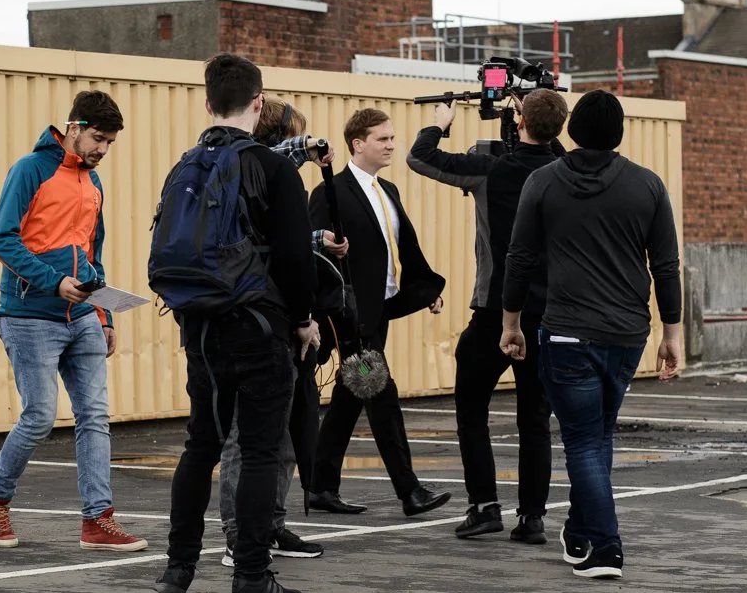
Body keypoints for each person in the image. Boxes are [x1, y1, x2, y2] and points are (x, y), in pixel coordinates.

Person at [152, 55, 319, 593]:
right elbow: (297, 259)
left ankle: (177, 570)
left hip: (199, 324)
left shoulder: (185, 165)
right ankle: (250, 576)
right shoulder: (273, 169)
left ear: (207, 104)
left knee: (201, 444)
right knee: (258, 447)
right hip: (258, 323)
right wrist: (303, 319)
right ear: (259, 102)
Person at [501, 88, 683, 580]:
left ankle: (605, 546)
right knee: (597, 435)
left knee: (583, 440)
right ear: (620, 133)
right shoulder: (647, 186)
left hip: (564, 333)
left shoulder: (542, 183)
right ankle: (580, 531)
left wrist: (511, 323)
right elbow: (665, 264)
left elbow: (519, 258)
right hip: (626, 334)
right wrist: (673, 331)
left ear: (573, 129)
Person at [0, 90, 146, 552]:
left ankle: (98, 520)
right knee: (38, 416)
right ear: (73, 127)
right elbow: (2, 239)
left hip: (83, 316)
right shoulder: (30, 170)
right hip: (29, 315)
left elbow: (93, 254)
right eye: (97, 139)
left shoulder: (93, 184)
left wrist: (105, 313)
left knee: (95, 417)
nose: (102, 150)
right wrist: (53, 282)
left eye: (110, 143)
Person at [407, 87, 570, 543]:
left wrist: (441, 121)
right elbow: (554, 144)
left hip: (497, 309)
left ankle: (484, 507)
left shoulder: (491, 170)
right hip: (549, 314)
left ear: (518, 124)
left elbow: (421, 158)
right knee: (534, 418)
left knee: (471, 407)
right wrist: (531, 117)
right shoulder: (567, 172)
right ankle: (532, 518)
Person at [307, 107, 452, 519]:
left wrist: (424, 291)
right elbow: (311, 252)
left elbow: (400, 249)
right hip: (350, 317)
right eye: (382, 139)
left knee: (350, 399)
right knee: (381, 393)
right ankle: (410, 492)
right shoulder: (331, 191)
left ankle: (320, 486)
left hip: (379, 310)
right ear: (358, 144)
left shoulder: (387, 189)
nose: (391, 145)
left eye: (391, 138)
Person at [215, 97, 339, 565]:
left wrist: (315, 241)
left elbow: (270, 242)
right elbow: (255, 242)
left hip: (280, 316)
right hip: (252, 317)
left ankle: (271, 524)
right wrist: (302, 146)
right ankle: (237, 534)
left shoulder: (267, 180)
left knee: (282, 432)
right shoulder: (245, 169)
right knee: (243, 437)